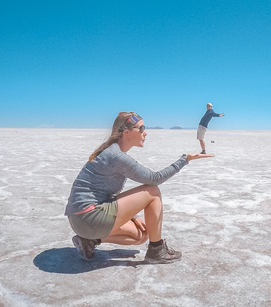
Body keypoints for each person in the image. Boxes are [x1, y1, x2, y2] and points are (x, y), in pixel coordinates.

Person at [65, 112, 213, 263]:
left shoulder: (114, 153)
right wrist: (185, 159)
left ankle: (88, 240)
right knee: (152, 191)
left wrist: (132, 217)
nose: (145, 132)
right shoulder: (115, 156)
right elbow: (154, 179)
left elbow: (105, 195)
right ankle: (157, 250)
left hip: (82, 219)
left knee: (141, 235)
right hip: (88, 216)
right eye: (141, 128)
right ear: (127, 132)